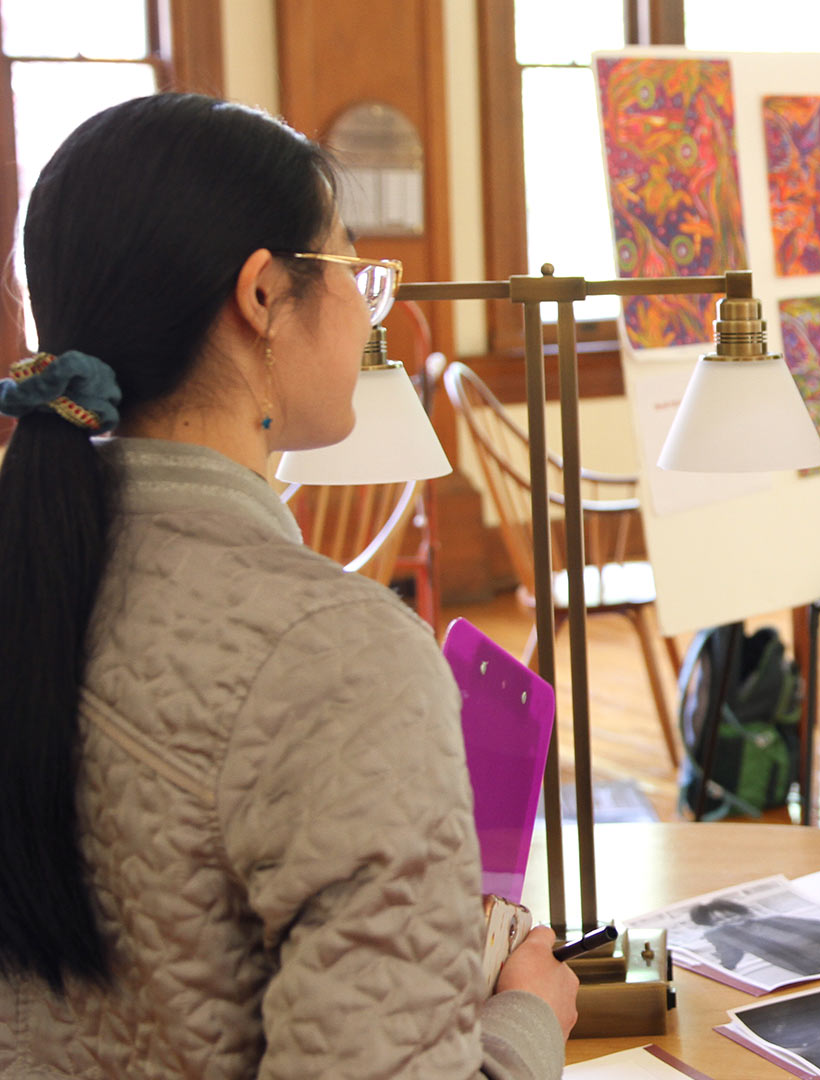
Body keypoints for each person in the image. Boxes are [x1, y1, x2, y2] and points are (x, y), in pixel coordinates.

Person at [0, 94, 576, 1078]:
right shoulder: (338, 658)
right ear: (263, 295)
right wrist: (525, 1020)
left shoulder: (38, 577)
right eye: (355, 267)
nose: (366, 304)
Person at [686, 898, 820, 976]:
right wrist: (723, 969)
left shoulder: (770, 919)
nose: (729, 921)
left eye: (730, 915)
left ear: (738, 911)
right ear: (713, 925)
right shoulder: (726, 937)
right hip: (810, 963)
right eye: (720, 921)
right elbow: (729, 957)